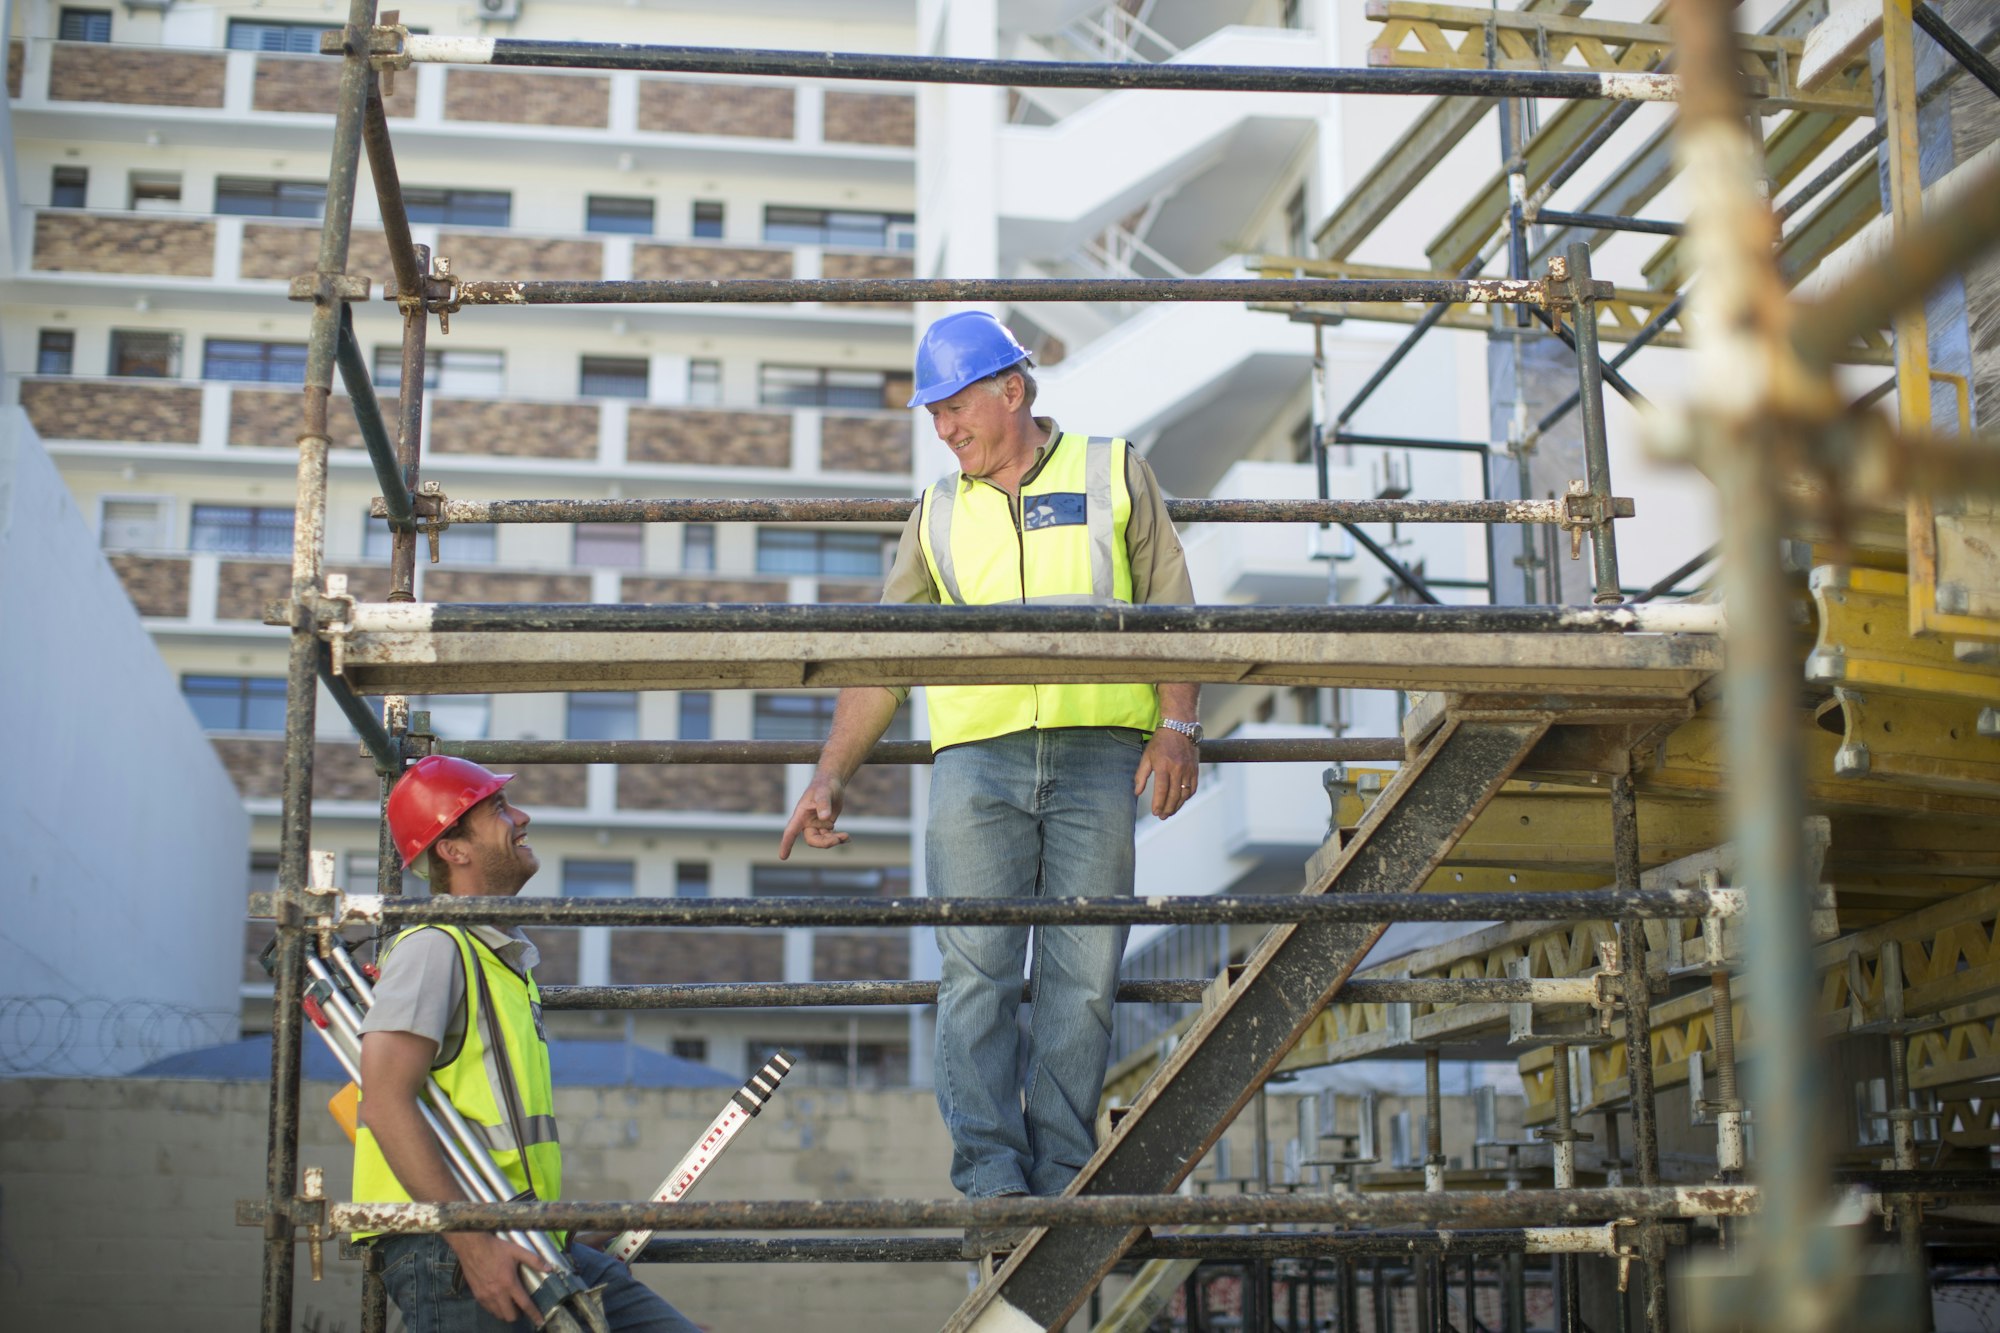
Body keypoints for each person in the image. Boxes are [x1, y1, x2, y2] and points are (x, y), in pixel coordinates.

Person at [778, 310, 1201, 1246]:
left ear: (1011, 390)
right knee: (975, 972)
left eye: (955, 406)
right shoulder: (935, 512)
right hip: (977, 764)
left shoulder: (1112, 469)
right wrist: (830, 774)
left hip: (1101, 754)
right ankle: (992, 1178)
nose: (944, 430)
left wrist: (1177, 725)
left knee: (1083, 973)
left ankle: (1059, 1173)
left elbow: (1172, 606)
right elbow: (883, 663)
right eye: (933, 415)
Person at [356, 754, 701, 1332]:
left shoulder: (501, 963)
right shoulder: (434, 948)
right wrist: (473, 1247)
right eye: (496, 808)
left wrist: (553, 1224)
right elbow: (385, 1100)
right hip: (457, 1247)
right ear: (454, 848)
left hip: (524, 1231)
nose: (521, 816)